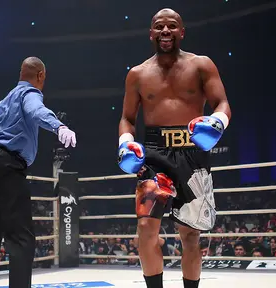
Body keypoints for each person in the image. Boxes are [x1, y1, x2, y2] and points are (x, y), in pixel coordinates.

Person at [117, 8, 231, 288]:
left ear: (181, 32)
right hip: (154, 154)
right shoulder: (137, 74)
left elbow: (223, 103)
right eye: (159, 26)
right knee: (145, 228)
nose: (165, 31)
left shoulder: (201, 65)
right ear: (151, 33)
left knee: (191, 235)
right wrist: (125, 144)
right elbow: (127, 119)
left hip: (193, 151)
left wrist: (216, 123)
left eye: (171, 26)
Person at [0, 57, 77, 288]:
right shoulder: (30, 95)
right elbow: (37, 111)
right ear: (41, 76)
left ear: (20, 73)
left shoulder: (4, 101)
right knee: (21, 239)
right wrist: (59, 126)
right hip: (8, 167)